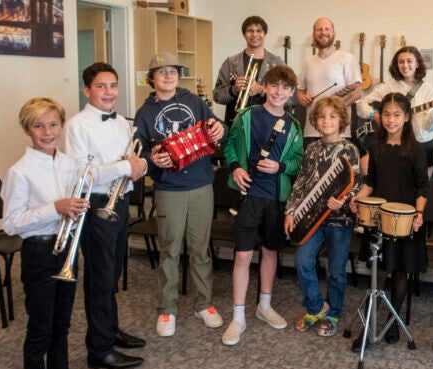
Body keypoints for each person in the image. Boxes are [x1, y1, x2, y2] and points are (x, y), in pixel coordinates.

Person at [1, 98, 100, 369]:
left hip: (66, 248)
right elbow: (11, 224)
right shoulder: (19, 172)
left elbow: (76, 198)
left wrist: (76, 206)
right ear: (28, 130)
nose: (48, 132)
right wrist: (54, 208)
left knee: (62, 323)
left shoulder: (68, 163)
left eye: (53, 124)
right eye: (39, 126)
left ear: (61, 125)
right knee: (40, 330)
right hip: (40, 254)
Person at [134, 52, 226, 337]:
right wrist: (152, 160)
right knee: (170, 249)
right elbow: (139, 153)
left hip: (200, 183)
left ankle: (204, 304)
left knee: (200, 248)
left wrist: (219, 128)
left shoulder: (195, 102)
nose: (168, 75)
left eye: (173, 70)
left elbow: (215, 130)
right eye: (161, 71)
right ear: (152, 79)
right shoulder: (144, 113)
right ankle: (167, 308)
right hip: (169, 188)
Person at [64, 62, 146, 369]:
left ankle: (110, 330)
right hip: (94, 204)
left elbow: (132, 159)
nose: (109, 92)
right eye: (101, 86)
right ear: (87, 90)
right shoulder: (76, 126)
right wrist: (126, 167)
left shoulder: (121, 123)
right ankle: (99, 350)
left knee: (112, 274)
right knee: (99, 277)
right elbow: (82, 175)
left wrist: (139, 167)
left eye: (113, 85)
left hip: (120, 201)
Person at [222, 65, 303, 346]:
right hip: (248, 194)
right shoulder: (247, 115)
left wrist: (280, 165)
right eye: (274, 86)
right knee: (243, 256)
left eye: (285, 88)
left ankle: (264, 306)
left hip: (275, 198)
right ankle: (238, 316)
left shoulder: (294, 125)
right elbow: (230, 144)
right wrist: (234, 168)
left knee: (270, 252)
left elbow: (297, 162)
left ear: (292, 93)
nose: (279, 92)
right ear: (265, 87)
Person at [350, 92, 429, 349]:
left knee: (399, 270)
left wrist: (418, 215)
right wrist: (357, 199)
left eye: (396, 115)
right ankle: (372, 322)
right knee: (378, 268)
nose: (390, 120)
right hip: (379, 215)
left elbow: (422, 187)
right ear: (379, 116)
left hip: (405, 217)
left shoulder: (416, 149)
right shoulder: (376, 146)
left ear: (406, 117)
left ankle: (393, 321)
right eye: (386, 114)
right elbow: (370, 182)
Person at [284, 96, 360, 337]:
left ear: (341, 120)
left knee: (336, 271)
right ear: (315, 121)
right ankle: (317, 307)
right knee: (302, 261)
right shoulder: (312, 149)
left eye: (333, 116)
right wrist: (290, 211)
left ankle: (333, 312)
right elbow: (300, 183)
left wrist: (345, 200)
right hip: (311, 218)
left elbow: (356, 183)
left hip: (341, 220)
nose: (327, 120)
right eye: (322, 116)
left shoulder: (350, 148)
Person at [356, 46, 433, 171]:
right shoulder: (390, 85)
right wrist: (374, 115)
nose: (405, 65)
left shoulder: (428, 90)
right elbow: (361, 103)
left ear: (417, 64)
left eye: (409, 61)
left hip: (422, 145)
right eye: (401, 62)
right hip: (395, 144)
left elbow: (430, 127)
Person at [297, 17, 362, 148]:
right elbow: (300, 90)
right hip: (311, 131)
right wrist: (302, 98)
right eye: (319, 29)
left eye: (327, 29)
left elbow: (357, 92)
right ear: (314, 34)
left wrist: (334, 108)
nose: (323, 32)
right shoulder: (307, 62)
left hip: (339, 132)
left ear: (334, 33)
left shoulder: (347, 58)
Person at [213, 15, 285, 128]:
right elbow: (217, 96)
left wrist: (262, 89)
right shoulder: (231, 63)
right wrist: (234, 89)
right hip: (236, 125)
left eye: (259, 31)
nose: (255, 35)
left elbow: (291, 98)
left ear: (265, 34)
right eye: (250, 31)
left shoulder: (277, 63)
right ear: (244, 35)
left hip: (267, 125)